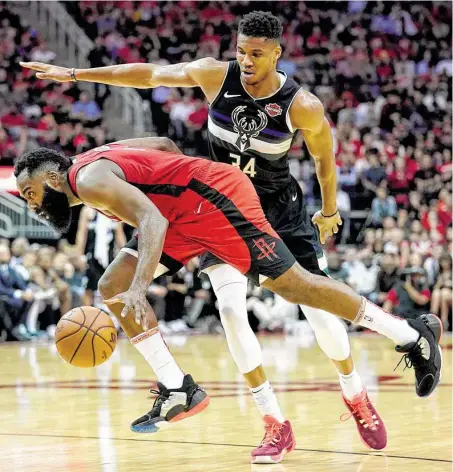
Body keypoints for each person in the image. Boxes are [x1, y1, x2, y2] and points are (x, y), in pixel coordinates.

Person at [19, 10, 438, 461]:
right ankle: (261, 417)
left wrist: (330, 210)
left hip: (272, 206)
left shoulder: (302, 105)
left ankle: (364, 385)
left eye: (256, 54)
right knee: (226, 309)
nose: (246, 60)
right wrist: (80, 74)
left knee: (312, 308)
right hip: (207, 204)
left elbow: (324, 160)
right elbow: (150, 78)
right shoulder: (215, 75)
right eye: (240, 51)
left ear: (277, 54)